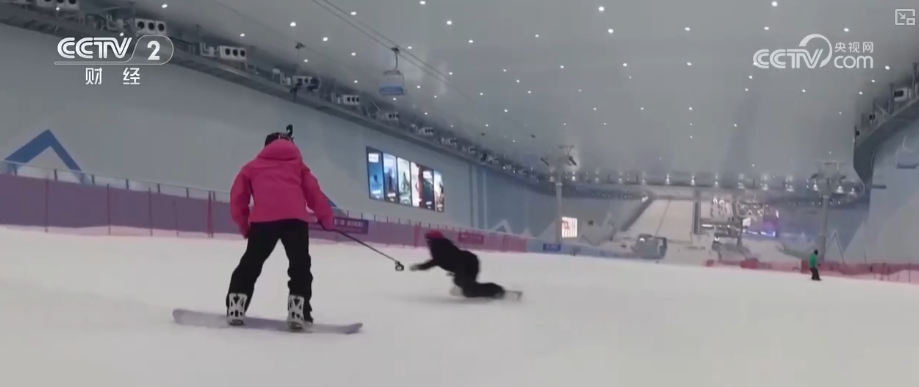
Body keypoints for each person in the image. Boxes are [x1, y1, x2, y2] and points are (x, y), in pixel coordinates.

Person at [225, 131, 334, 330]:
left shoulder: (252, 167)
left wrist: (244, 225)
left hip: (263, 221)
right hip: (295, 221)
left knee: (251, 264)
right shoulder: (298, 166)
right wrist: (326, 219)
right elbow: (314, 193)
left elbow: (237, 198)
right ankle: (298, 312)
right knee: (300, 266)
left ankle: (236, 307)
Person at [410, 230, 506, 299]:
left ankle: (496, 291)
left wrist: (420, 267)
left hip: (467, 263)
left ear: (430, 239)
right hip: (469, 261)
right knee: (467, 287)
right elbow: (449, 259)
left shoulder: (437, 246)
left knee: (463, 283)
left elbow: (438, 260)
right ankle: (488, 291)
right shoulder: (442, 244)